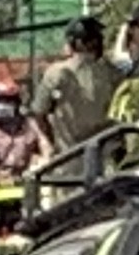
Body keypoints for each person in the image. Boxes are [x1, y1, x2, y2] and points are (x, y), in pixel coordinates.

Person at [32, 16, 118, 153]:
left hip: (70, 155)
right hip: (106, 154)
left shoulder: (56, 73)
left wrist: (51, 141)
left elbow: (39, 113)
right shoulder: (112, 73)